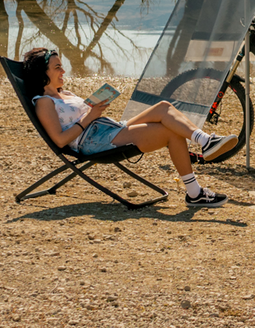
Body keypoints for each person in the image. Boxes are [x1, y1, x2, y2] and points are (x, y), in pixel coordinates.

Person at [21, 47, 236, 208]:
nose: (63, 71)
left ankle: (205, 142)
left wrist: (94, 110)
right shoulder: (44, 102)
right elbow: (60, 140)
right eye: (57, 67)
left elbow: (83, 116)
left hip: (107, 128)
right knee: (171, 131)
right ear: (43, 73)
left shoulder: (65, 94)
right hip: (94, 140)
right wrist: (90, 116)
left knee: (163, 107)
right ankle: (195, 190)